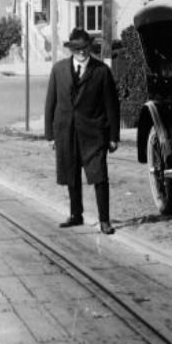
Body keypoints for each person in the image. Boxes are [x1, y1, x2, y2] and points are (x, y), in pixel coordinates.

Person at [44, 28, 120, 235]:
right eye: (77, 49)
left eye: (85, 48)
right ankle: (76, 215)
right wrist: (50, 135)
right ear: (71, 50)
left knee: (99, 176)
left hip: (94, 133)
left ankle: (105, 220)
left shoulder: (101, 71)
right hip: (66, 131)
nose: (82, 52)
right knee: (71, 174)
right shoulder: (58, 70)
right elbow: (50, 103)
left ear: (89, 48)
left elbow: (112, 106)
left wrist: (113, 136)